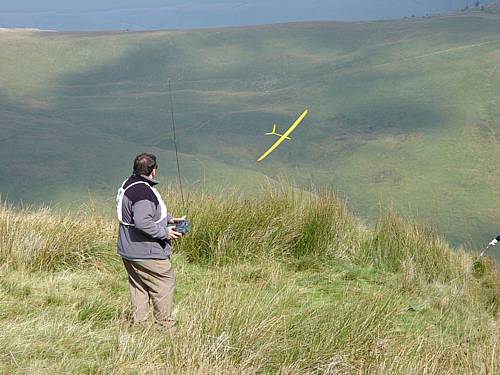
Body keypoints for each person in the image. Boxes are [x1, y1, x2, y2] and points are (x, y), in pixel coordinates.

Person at [116, 152, 184, 331]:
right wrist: (164, 232)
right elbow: (142, 221)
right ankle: (165, 327)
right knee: (163, 283)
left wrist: (170, 219)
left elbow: (143, 213)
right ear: (153, 171)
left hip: (128, 250)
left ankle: (139, 326)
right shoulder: (144, 192)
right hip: (146, 251)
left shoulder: (129, 184)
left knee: (138, 285)